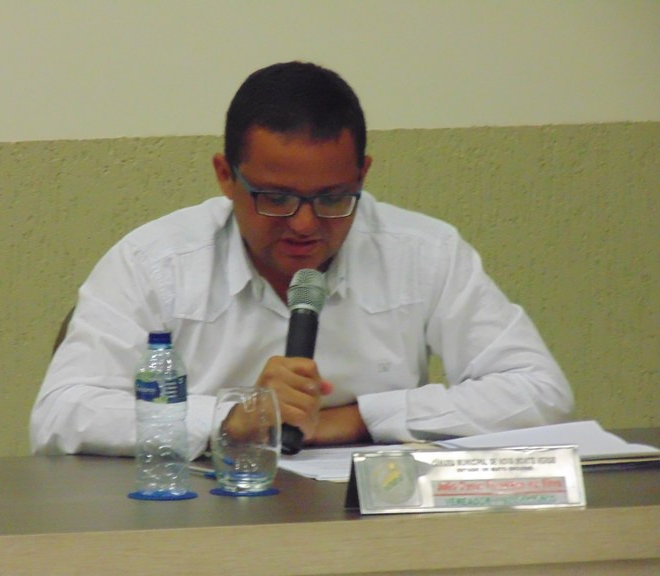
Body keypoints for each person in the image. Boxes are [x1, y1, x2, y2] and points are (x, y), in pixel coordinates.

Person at [30, 61, 573, 459]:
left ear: (362, 175)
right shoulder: (155, 262)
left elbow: (539, 389)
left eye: (334, 198)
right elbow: (61, 413)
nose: (306, 224)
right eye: (276, 198)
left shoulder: (422, 252)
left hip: (369, 529)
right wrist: (233, 416)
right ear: (225, 176)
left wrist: (358, 419)